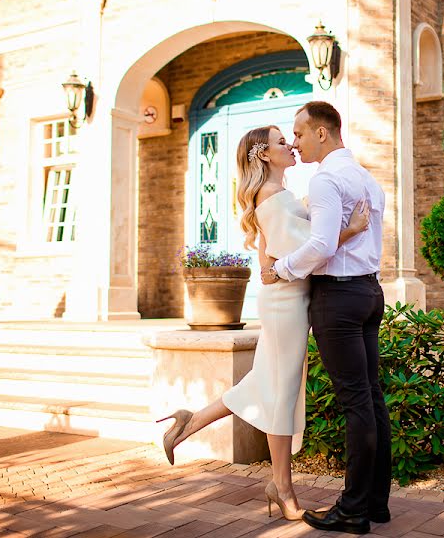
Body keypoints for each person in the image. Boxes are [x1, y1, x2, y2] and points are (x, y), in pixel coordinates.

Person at [156, 124, 369, 522]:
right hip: (286, 304)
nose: (290, 144)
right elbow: (311, 250)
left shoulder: (277, 196)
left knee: (266, 384)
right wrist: (351, 230)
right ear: (264, 155)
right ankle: (282, 487)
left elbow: (279, 249)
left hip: (288, 299)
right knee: (281, 392)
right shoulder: (272, 197)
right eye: (280, 141)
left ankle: (191, 421)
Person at [262, 101, 390, 535]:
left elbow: (319, 246)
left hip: (339, 298)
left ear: (322, 133)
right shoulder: (367, 179)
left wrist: (278, 269)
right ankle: (376, 503)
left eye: (299, 134)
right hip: (371, 291)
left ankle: (353, 509)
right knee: (371, 399)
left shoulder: (326, 180)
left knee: (357, 402)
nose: (295, 143)